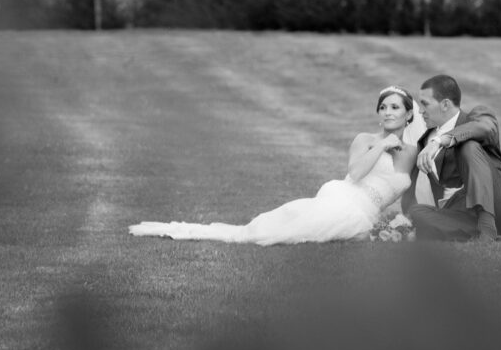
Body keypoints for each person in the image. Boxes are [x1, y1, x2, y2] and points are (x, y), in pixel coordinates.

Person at [129, 85, 419, 245]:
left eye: (395, 107)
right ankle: (205, 232)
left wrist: (406, 221)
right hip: (344, 198)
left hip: (368, 214)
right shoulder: (366, 139)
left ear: (409, 115)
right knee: (276, 233)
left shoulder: (411, 152)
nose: (388, 112)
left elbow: (408, 189)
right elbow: (355, 174)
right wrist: (382, 144)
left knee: (317, 231)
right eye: (383, 107)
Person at [401, 74, 501, 245]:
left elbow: (485, 127)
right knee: (417, 212)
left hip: (496, 202)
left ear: (445, 104)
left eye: (425, 104)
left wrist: (440, 141)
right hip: (460, 210)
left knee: (468, 146)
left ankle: (487, 228)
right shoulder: (425, 139)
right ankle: (499, 237)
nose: (421, 111)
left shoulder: (477, 117)